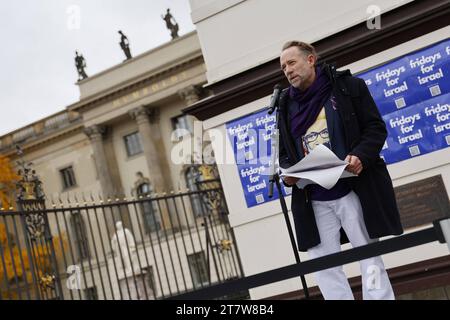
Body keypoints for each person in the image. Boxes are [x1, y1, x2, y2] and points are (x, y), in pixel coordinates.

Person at [278, 41, 403, 300]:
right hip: (313, 197)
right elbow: (284, 154)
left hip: (353, 187)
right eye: (283, 67)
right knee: (324, 267)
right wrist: (289, 174)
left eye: (291, 63)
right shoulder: (284, 106)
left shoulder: (348, 88)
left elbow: (375, 129)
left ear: (310, 60)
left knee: (369, 259)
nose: (287, 70)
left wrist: (360, 156)